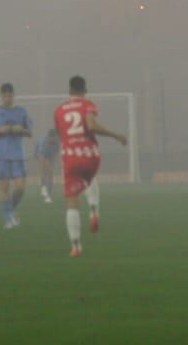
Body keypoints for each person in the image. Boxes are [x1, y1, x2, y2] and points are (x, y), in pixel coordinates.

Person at [55, 75, 127, 257]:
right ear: (84, 91)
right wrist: (115, 135)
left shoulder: (59, 110)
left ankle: (76, 246)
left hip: (70, 159)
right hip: (90, 157)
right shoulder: (88, 104)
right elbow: (91, 126)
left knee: (72, 202)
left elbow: (60, 134)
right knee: (90, 178)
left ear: (69, 91)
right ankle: (94, 210)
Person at [0, 83, 33, 229]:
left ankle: (10, 210)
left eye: (9, 95)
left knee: (20, 188)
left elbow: (29, 132)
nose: (7, 98)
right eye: (4, 96)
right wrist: (0, 130)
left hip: (18, 155)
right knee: (4, 188)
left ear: (13, 95)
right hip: (2, 156)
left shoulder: (21, 111)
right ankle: (7, 219)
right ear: (1, 96)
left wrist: (21, 129)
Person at [35, 126, 60, 203]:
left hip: (50, 154)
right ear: (49, 137)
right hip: (40, 154)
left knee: (51, 171)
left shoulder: (57, 142)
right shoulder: (43, 143)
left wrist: (53, 165)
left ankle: (50, 190)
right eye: (54, 137)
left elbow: (55, 155)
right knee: (44, 170)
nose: (56, 139)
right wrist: (49, 166)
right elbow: (42, 158)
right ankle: (43, 187)